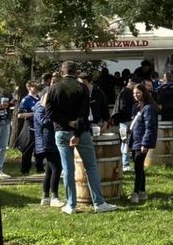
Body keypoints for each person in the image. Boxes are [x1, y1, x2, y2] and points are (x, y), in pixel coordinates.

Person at [47, 62, 119, 213]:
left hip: (61, 131)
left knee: (68, 169)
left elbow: (50, 113)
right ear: (76, 72)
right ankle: (99, 203)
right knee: (91, 167)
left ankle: (71, 204)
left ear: (62, 72)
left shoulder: (53, 88)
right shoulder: (82, 88)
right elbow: (84, 113)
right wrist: (77, 133)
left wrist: (67, 122)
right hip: (82, 132)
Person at [127, 85, 157, 204]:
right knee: (138, 167)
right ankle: (142, 192)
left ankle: (135, 194)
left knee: (138, 167)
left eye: (138, 92)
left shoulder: (148, 108)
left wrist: (145, 143)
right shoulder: (138, 107)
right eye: (134, 93)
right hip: (135, 141)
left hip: (141, 142)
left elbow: (150, 127)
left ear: (144, 93)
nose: (136, 95)